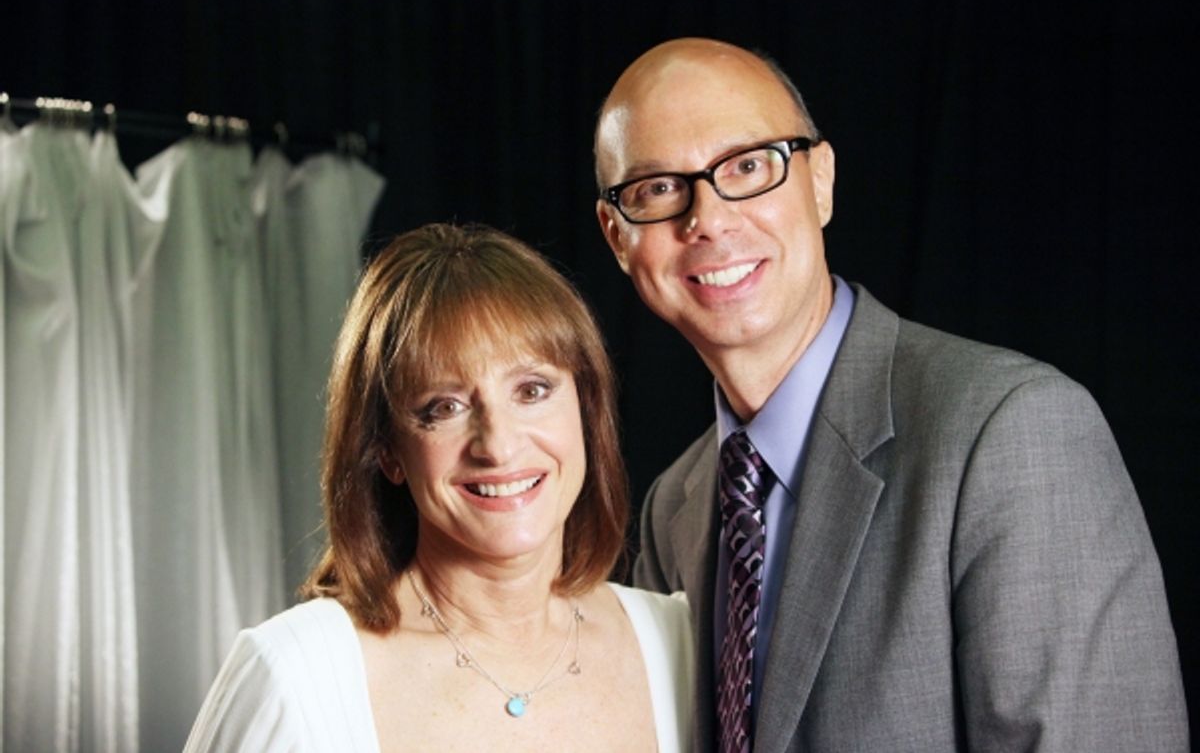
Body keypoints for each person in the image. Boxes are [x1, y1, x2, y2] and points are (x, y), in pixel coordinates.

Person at [593, 37, 1188, 751]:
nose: (709, 219)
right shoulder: (676, 507)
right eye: (658, 188)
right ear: (618, 237)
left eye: (748, 166)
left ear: (821, 182)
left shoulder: (1011, 432)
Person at [184, 223, 694, 751]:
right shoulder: (294, 678)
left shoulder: (680, 644)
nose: (497, 445)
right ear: (386, 450)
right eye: (444, 407)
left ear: (586, 409)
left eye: (532, 390)